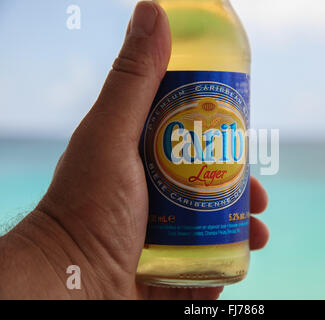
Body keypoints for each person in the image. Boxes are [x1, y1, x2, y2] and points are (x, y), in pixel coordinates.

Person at [0, 1, 269, 300]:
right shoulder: (178, 16)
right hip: (140, 250)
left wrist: (69, 249)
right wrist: (70, 244)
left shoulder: (217, 16)